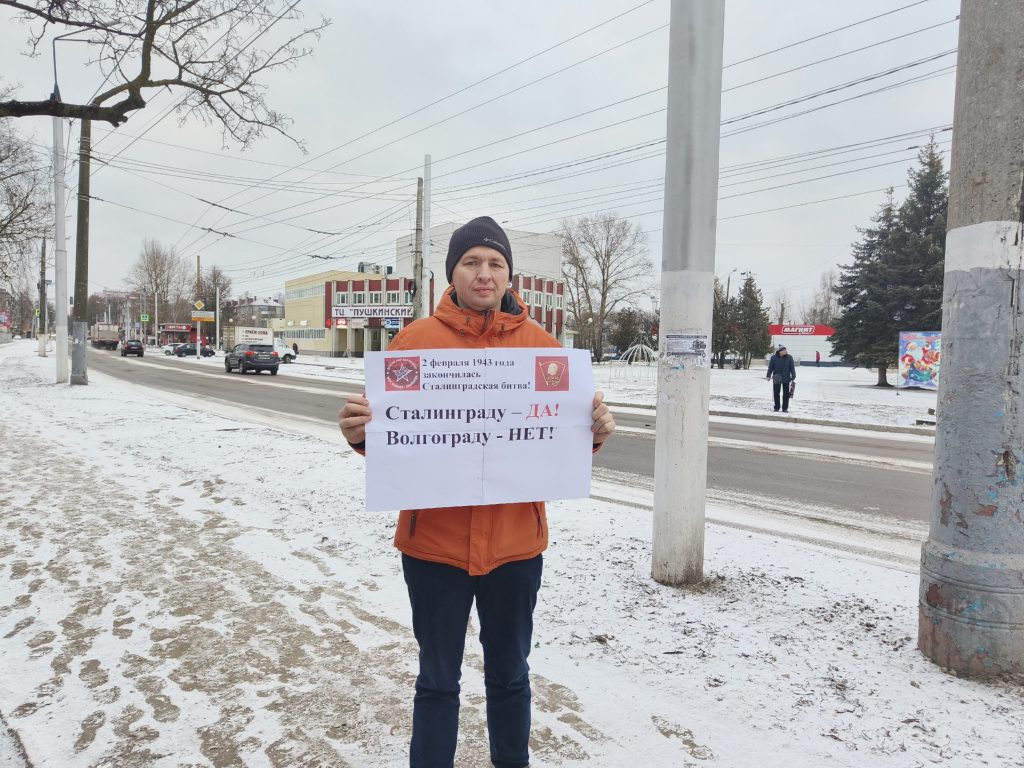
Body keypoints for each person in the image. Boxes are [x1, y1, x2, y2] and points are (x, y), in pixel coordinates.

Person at [338, 216, 616, 768]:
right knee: (437, 679)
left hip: (515, 548)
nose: (484, 273)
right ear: (453, 272)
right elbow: (399, 440)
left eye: (495, 263)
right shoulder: (414, 343)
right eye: (472, 262)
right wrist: (362, 436)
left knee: (511, 676)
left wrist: (592, 435)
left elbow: (551, 442)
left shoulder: (544, 350)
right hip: (433, 548)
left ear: (510, 275)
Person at [766, 344, 796, 412]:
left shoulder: (789, 357)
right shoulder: (773, 358)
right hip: (777, 377)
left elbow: (792, 367)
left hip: (786, 377)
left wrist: (793, 375)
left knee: (786, 394)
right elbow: (770, 368)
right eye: (784, 350)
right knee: (776, 393)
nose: (785, 351)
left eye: (785, 350)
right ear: (780, 351)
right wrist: (768, 375)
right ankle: (776, 407)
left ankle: (785, 408)